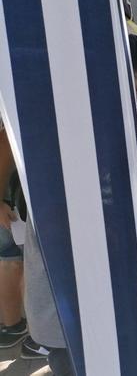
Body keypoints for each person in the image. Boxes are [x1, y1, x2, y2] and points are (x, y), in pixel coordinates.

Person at [21, 34, 137, 376]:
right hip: (95, 321)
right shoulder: (82, 137)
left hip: (115, 314)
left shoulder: (110, 131)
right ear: (120, 78)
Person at [0, 118, 49, 359]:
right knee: (28, 263)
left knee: (11, 260)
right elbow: (5, 143)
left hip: (11, 198)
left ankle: (14, 327)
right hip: (14, 198)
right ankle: (37, 337)